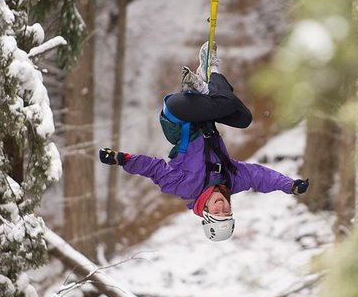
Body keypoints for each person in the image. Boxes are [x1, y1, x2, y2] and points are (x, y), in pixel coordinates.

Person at [99, 42, 309, 242]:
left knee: (226, 102)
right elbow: (260, 177)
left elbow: (153, 168)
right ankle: (202, 87)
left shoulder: (184, 187)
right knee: (243, 118)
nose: (222, 207)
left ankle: (207, 74)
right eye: (226, 211)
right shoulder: (233, 180)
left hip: (178, 114)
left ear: (207, 212)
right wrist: (289, 186)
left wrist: (121, 159)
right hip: (205, 115)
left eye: (218, 213)